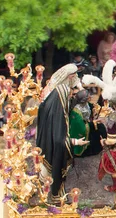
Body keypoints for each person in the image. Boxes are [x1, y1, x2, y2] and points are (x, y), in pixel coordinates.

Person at [37, 64, 87, 203]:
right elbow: (60, 139)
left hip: (46, 130)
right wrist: (75, 142)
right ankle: (54, 193)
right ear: (68, 77)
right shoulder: (62, 93)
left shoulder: (57, 88)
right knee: (58, 153)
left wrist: (79, 88)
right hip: (53, 136)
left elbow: (74, 80)